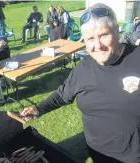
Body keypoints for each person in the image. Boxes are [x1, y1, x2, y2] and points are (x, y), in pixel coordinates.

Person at [21, 3, 140, 163]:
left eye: (103, 35)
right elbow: (62, 95)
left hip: (133, 156)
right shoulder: (84, 67)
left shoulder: (136, 59)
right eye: (90, 38)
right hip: (98, 153)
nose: (97, 45)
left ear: (117, 31)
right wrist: (37, 109)